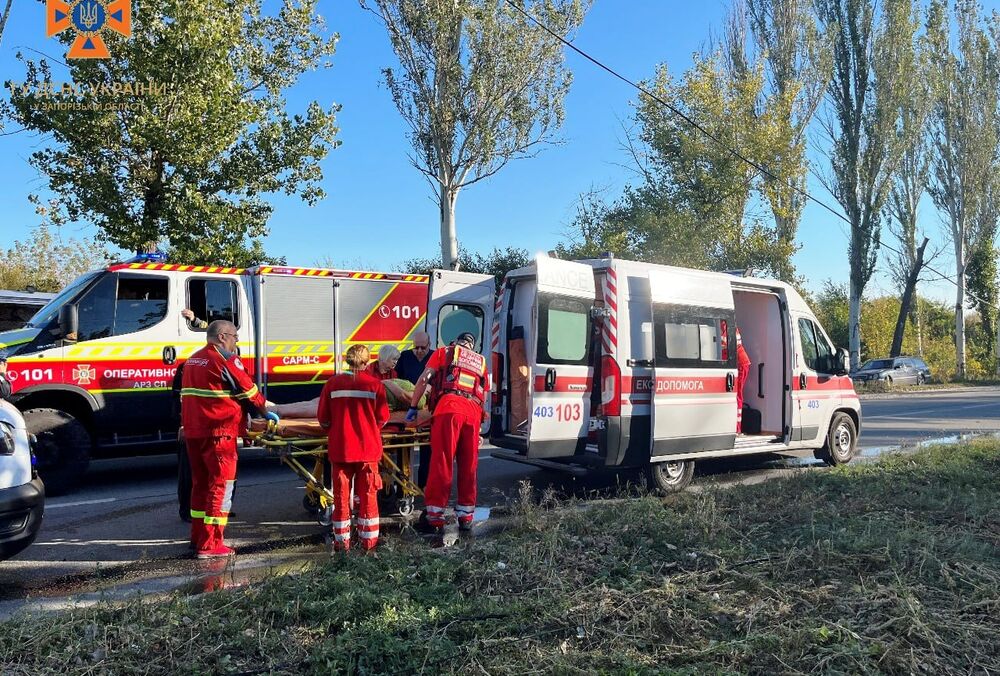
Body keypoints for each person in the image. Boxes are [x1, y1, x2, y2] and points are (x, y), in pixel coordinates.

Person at [181, 320, 277, 559]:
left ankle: (198, 538)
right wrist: (266, 411)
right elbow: (249, 391)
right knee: (221, 487)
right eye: (235, 336)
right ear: (222, 336)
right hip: (219, 432)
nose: (237, 341)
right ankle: (211, 544)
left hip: (194, 432)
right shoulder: (225, 359)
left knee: (200, 486)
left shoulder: (193, 360)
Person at [406, 331, 488, 533]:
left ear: (456, 342)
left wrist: (413, 406)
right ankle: (466, 516)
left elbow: (424, 379)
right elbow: (484, 395)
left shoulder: (444, 352)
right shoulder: (481, 362)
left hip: (449, 409)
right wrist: (479, 427)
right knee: (469, 465)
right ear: (472, 346)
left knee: (442, 462)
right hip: (473, 414)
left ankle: (435, 516)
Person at [317, 344, 389, 553]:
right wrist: (369, 429)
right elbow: (383, 418)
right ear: (367, 362)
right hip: (368, 450)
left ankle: (342, 545)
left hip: (341, 449)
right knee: (368, 496)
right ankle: (369, 546)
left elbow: (323, 419)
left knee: (341, 498)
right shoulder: (375, 385)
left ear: (347, 360)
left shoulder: (332, 383)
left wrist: (336, 429)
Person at [736, 327, 752, 434]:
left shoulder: (724, 325)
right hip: (740, 362)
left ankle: (737, 429)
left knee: (737, 395)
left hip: (741, 363)